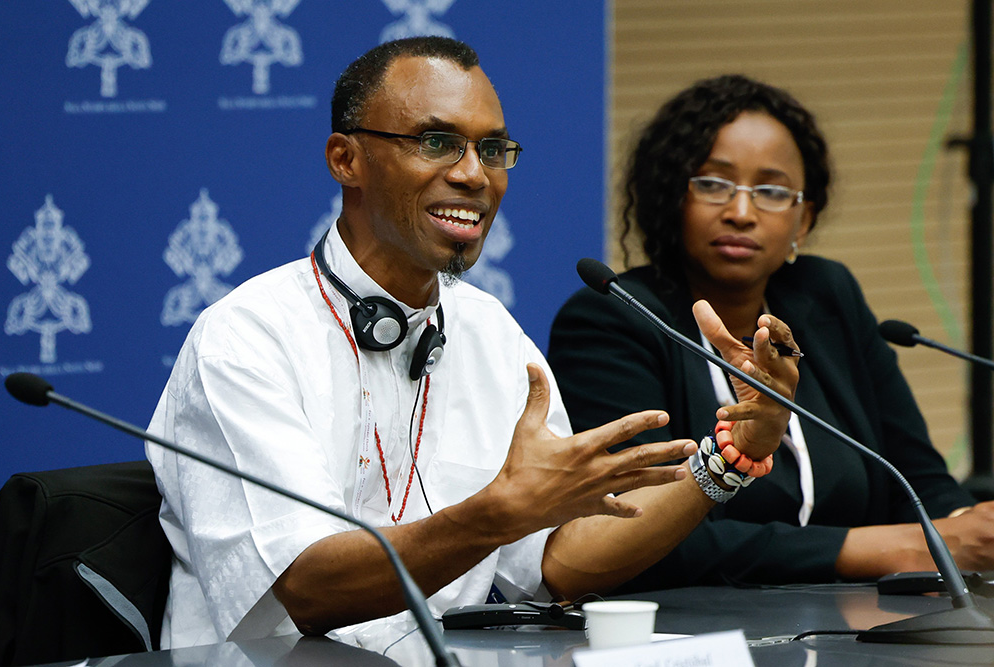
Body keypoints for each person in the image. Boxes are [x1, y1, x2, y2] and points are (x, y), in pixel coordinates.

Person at [146, 43, 798, 648]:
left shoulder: (491, 334)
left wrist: (736, 453)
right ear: (345, 158)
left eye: (491, 150)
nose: (472, 175)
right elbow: (310, 590)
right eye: (437, 142)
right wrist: (497, 514)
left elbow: (562, 561)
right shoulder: (246, 339)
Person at [548, 74, 994, 592]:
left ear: (802, 220)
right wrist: (885, 548)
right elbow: (629, 530)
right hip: (700, 634)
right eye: (713, 184)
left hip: (866, 624)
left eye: (771, 191)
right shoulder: (614, 319)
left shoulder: (826, 296)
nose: (741, 212)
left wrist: (968, 530)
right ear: (671, 197)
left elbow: (917, 479)